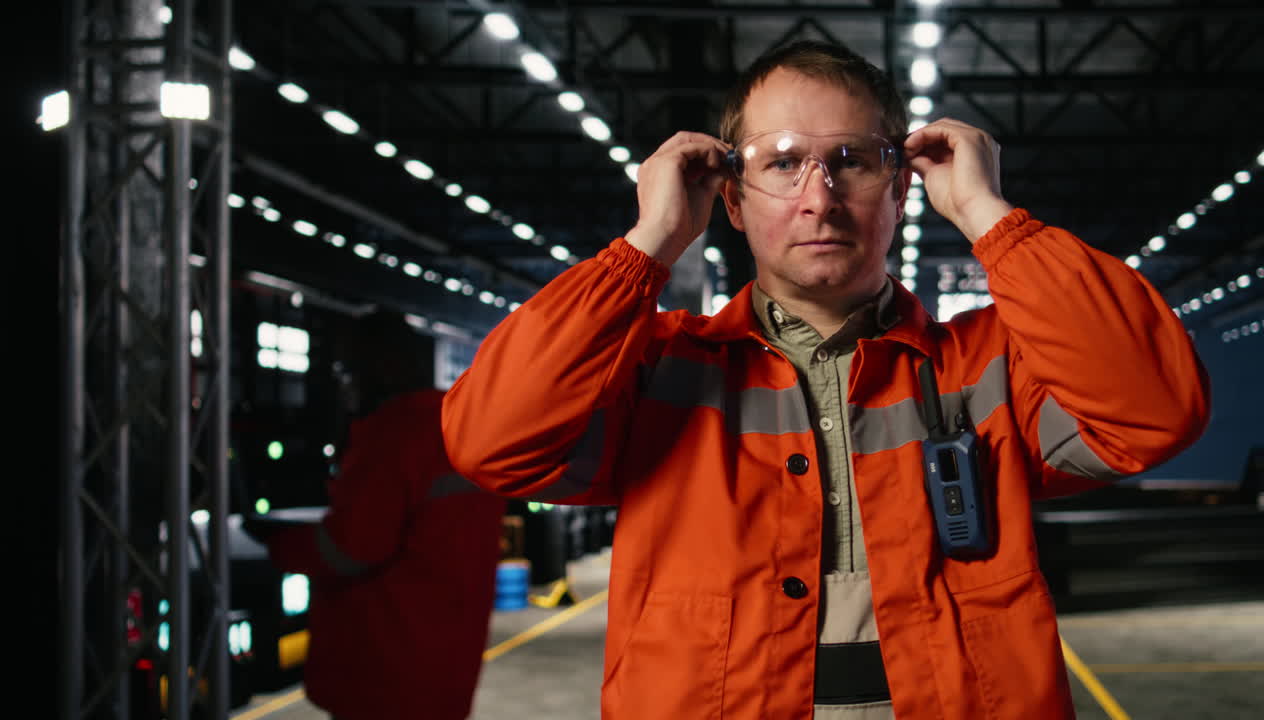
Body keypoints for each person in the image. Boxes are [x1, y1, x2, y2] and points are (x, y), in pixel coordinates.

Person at [442, 40, 1209, 719]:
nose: (820, 198)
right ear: (731, 201)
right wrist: (647, 245)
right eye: (782, 163)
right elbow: (491, 443)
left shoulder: (991, 367)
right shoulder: (658, 370)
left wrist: (989, 215)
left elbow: (1157, 410)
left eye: (852, 161)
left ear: (903, 186)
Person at [247, 310, 505, 720]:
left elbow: (352, 549)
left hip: (387, 665)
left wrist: (276, 543)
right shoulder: (460, 425)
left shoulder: (392, 435)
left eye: (352, 370)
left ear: (381, 365)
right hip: (449, 656)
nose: (350, 384)